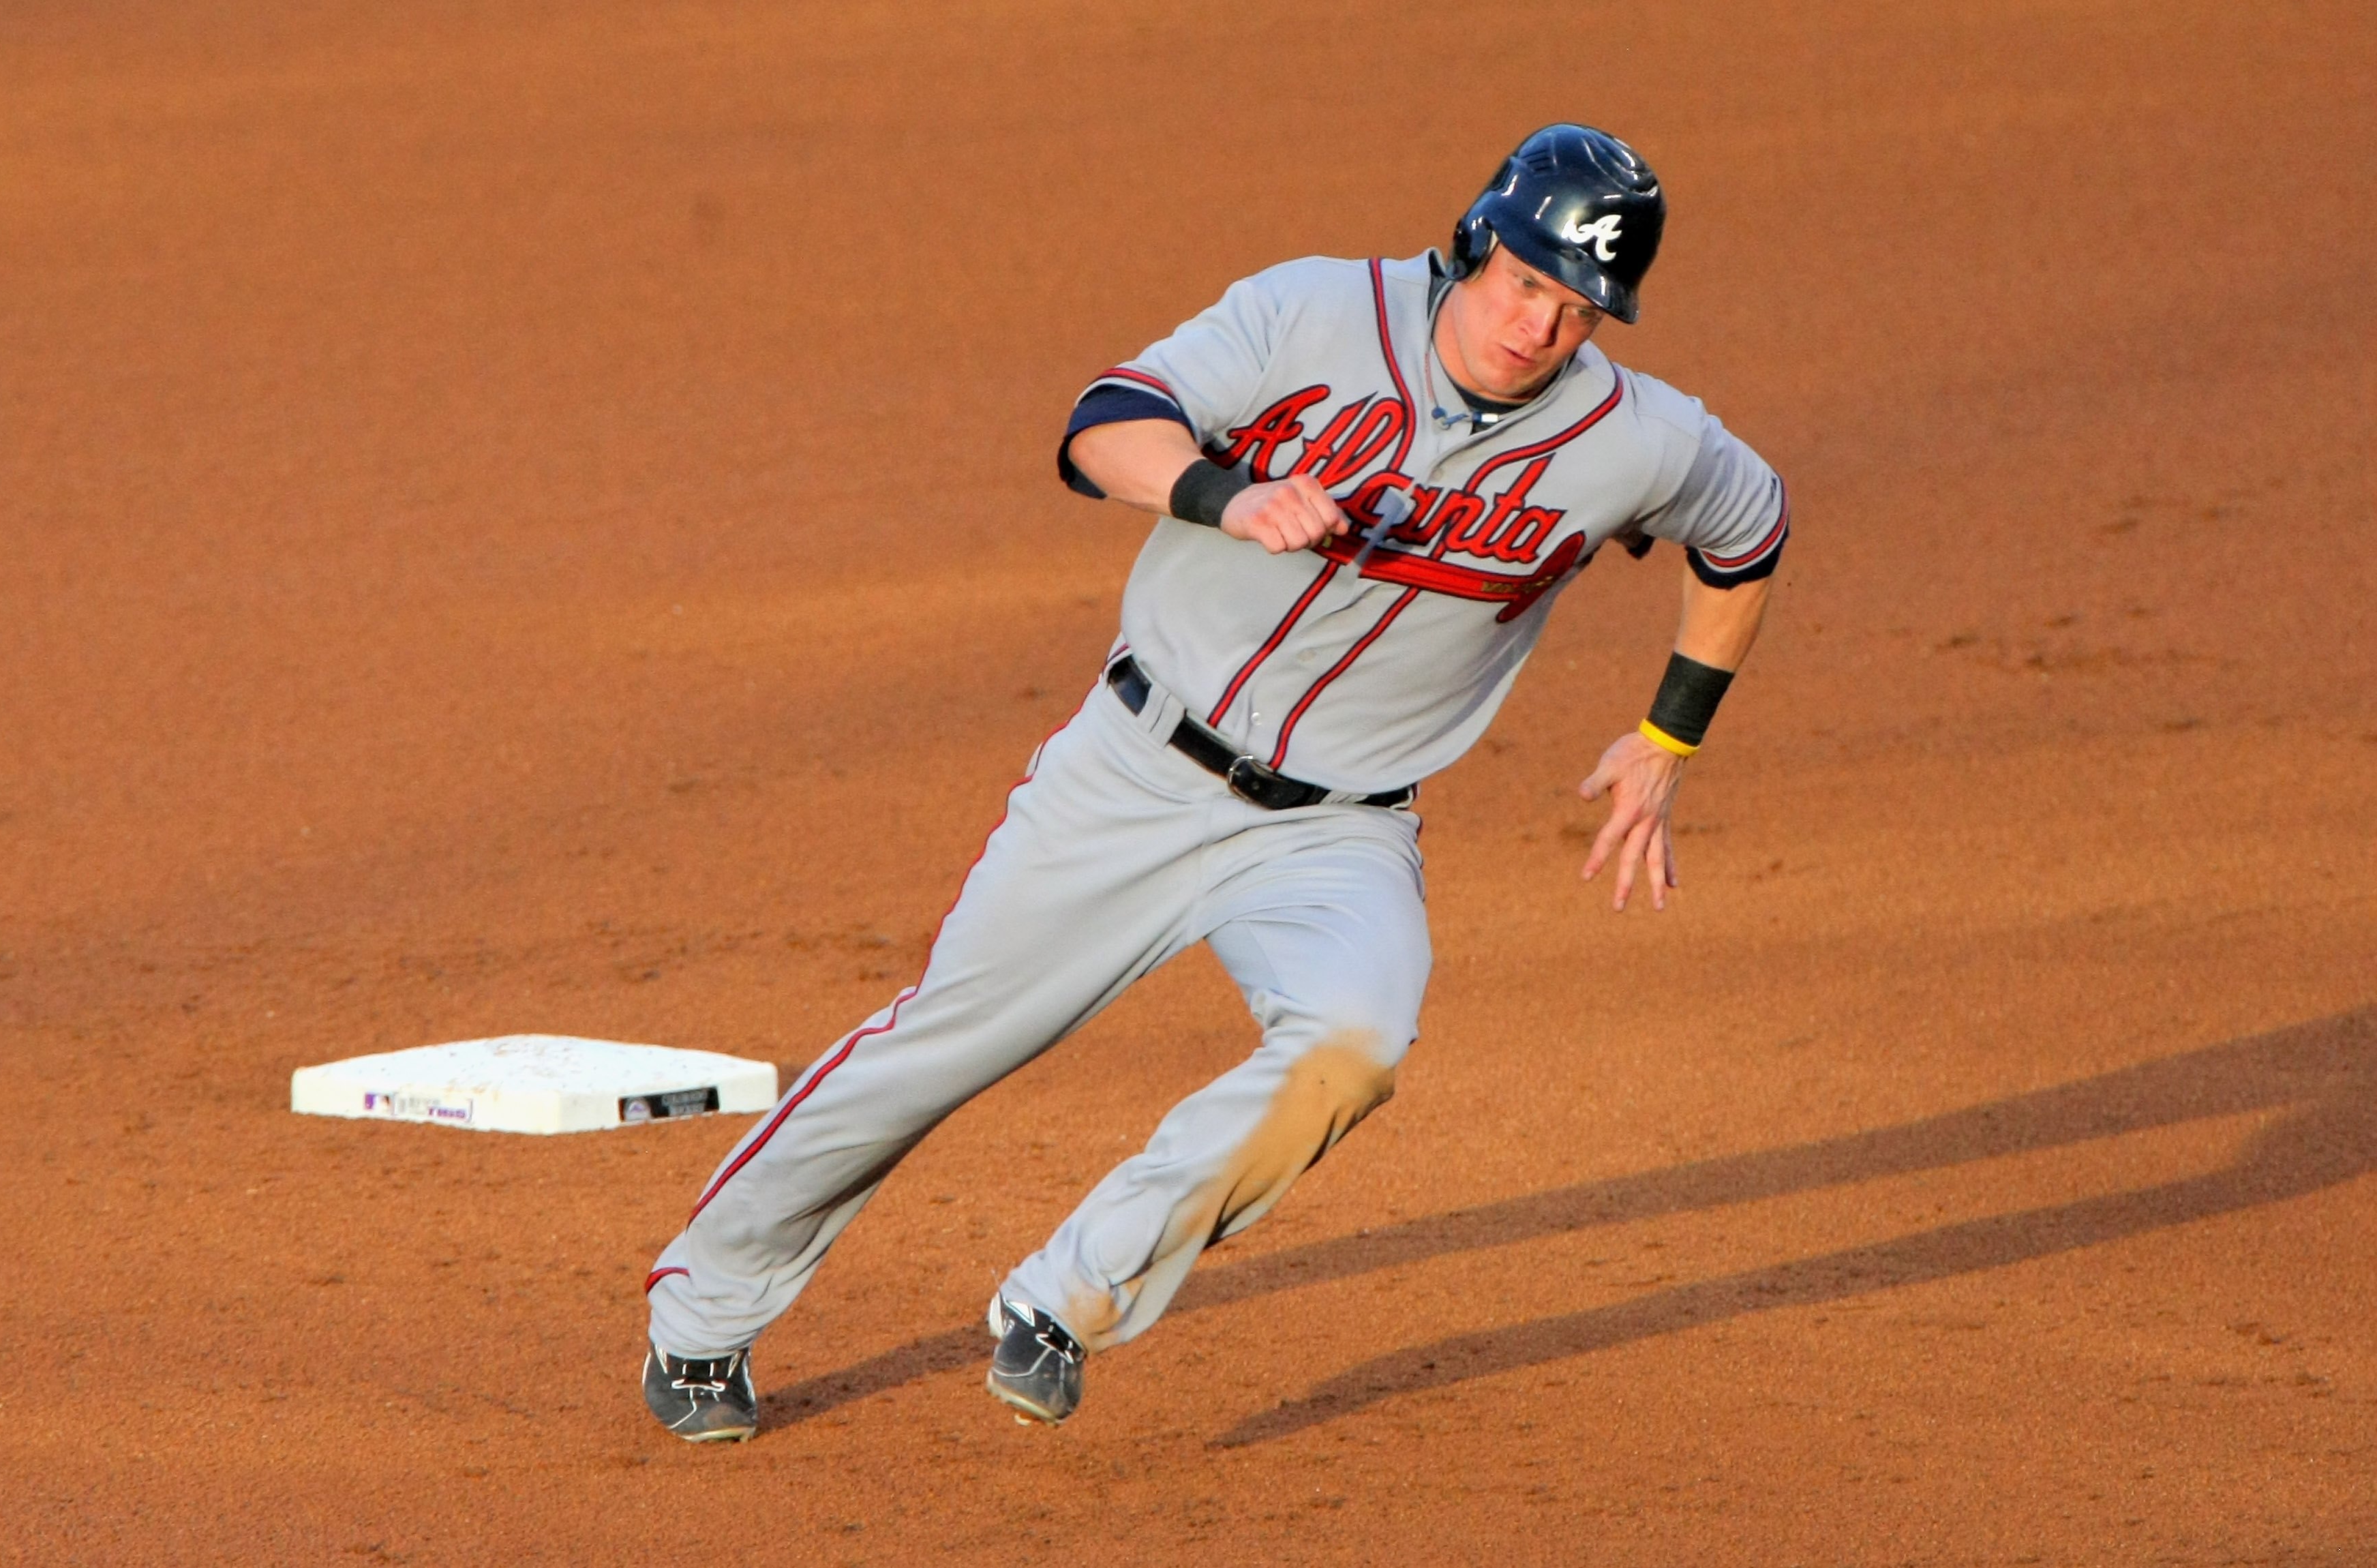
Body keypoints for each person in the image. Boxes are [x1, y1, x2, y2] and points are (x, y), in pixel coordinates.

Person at [639, 123, 1787, 1440]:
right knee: (943, 1047)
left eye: (1577, 310)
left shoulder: (1640, 442)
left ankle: (1066, 1296)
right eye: (1525, 281)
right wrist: (1222, 494)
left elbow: (1749, 536)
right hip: (1135, 771)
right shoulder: (1311, 310)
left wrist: (1669, 742)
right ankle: (704, 1314)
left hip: (1339, 833)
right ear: (1477, 240)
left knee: (1355, 1047)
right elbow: (1100, 428)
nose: (1538, 326)